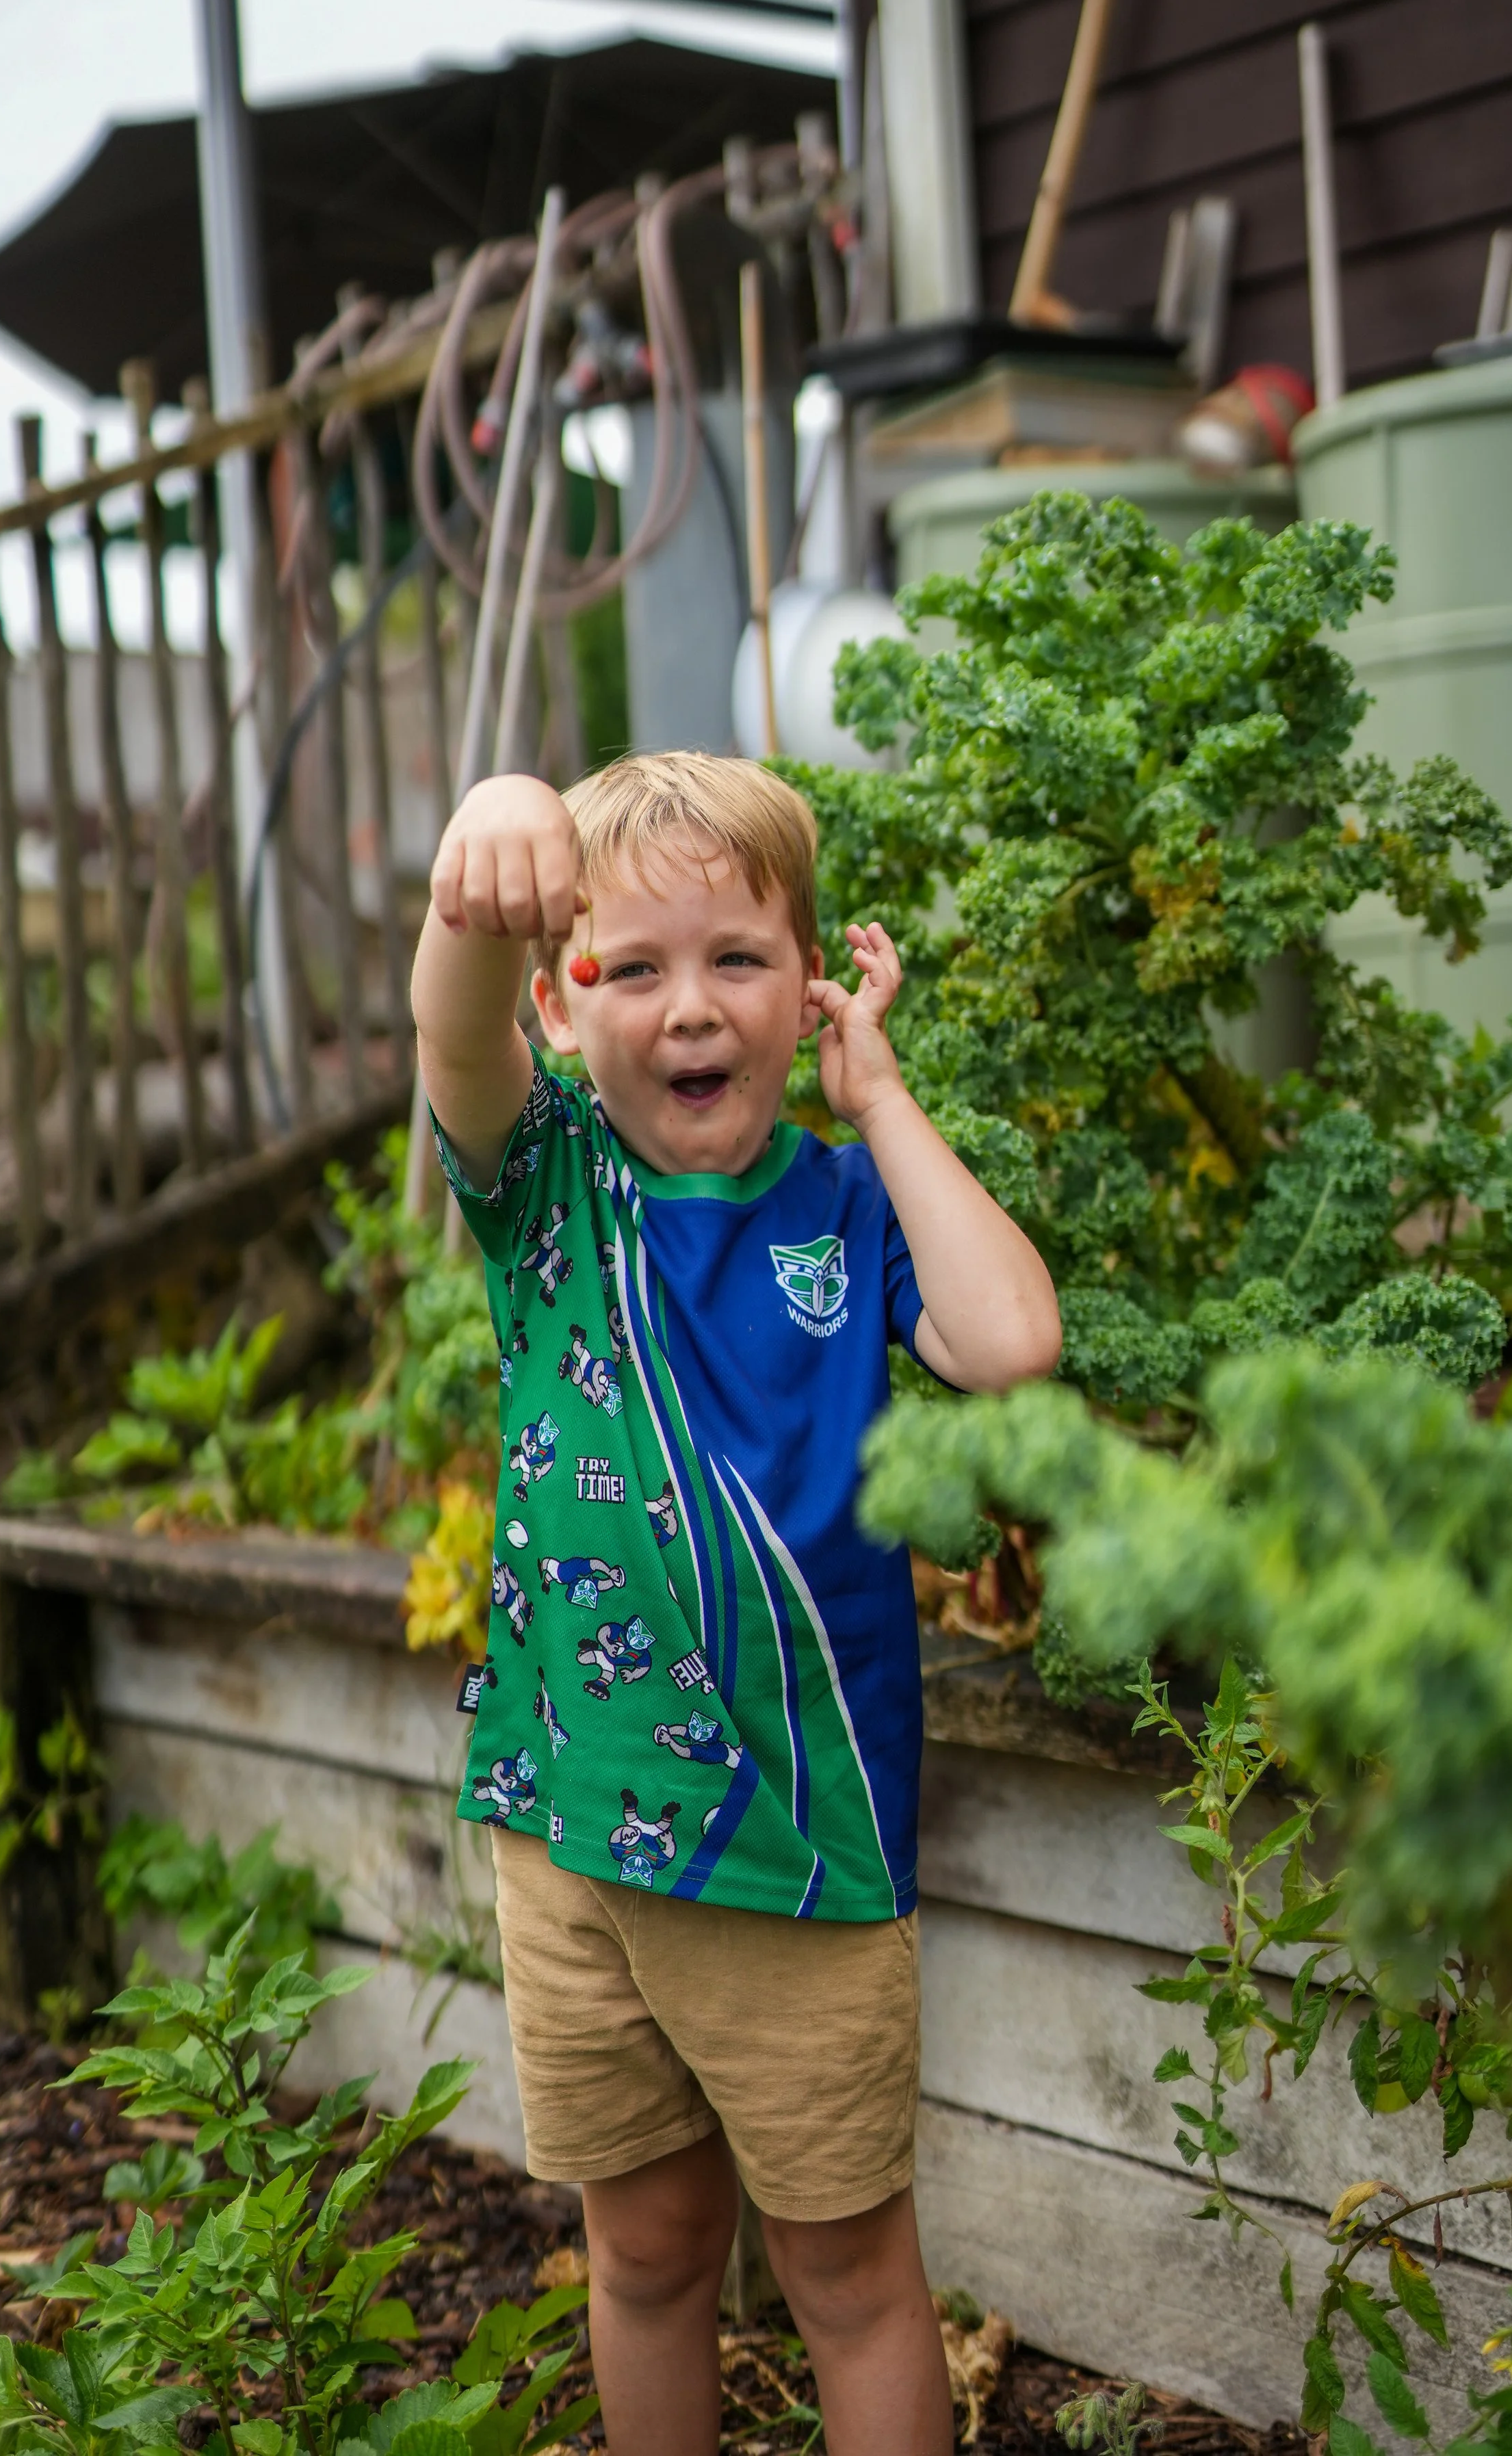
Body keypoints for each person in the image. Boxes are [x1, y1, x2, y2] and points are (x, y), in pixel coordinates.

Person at [413, 751, 1060, 2456]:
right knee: (639, 2252)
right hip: (571, 1839)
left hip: (798, 1849)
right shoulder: (544, 1187)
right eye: (632, 969)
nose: (687, 1008)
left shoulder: (851, 1207)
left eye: (736, 962)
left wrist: (887, 1100)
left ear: (807, 992)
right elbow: (450, 1034)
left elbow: (1008, 1347)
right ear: (563, 1007)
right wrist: (484, 840)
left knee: (848, 2279)